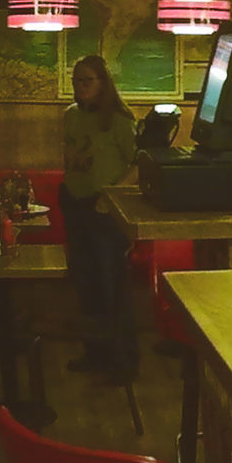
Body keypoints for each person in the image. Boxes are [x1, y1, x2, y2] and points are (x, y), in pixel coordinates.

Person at [61, 55, 139, 384]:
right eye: (76, 80)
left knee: (111, 288)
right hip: (75, 202)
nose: (80, 87)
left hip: (105, 211)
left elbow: (138, 166)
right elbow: (69, 152)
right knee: (86, 286)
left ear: (103, 82)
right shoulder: (71, 116)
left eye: (87, 80)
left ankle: (123, 363)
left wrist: (111, 196)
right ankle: (95, 354)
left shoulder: (119, 120)